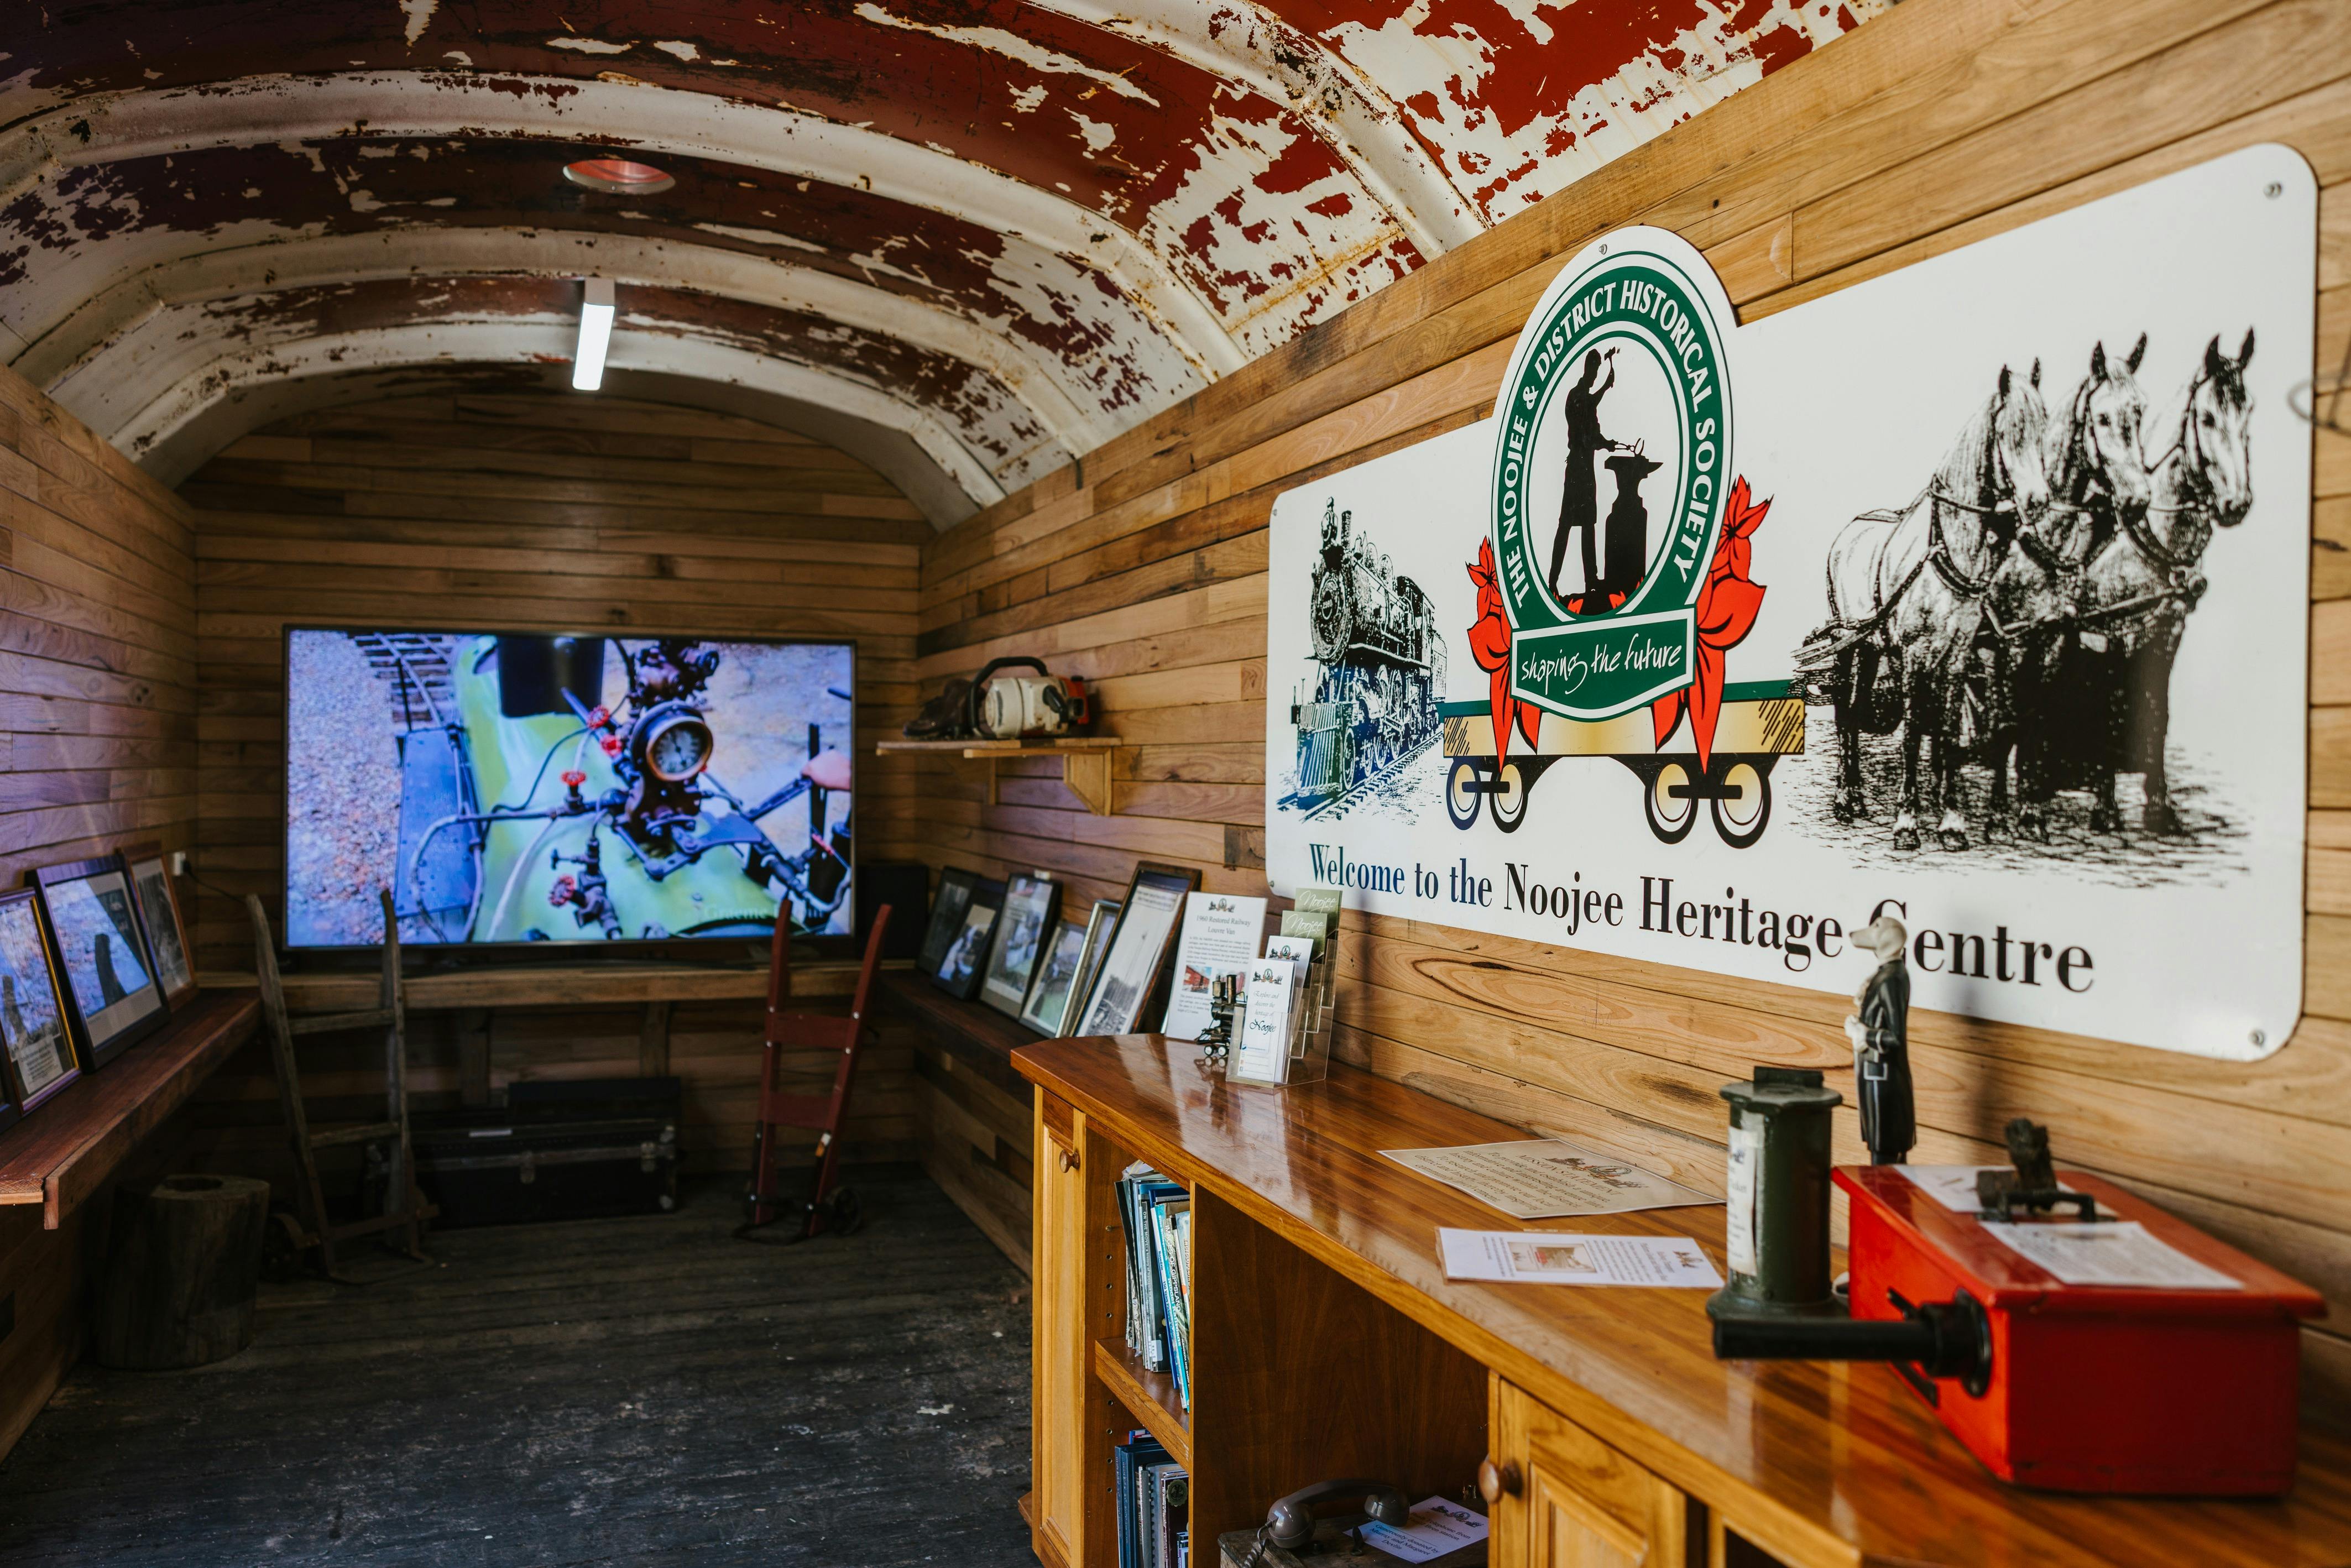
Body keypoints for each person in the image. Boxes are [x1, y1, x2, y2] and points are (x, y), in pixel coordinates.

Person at [1549, 348, 1626, 611]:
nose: (1595, 376)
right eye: (1594, 371)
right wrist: (1606, 444)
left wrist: (1605, 387)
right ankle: (1554, 580)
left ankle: (1589, 579)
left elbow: (1591, 409)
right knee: (1569, 524)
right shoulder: (1577, 396)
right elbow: (1588, 433)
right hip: (1579, 470)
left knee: (1585, 525)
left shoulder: (1581, 396)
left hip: (1582, 468)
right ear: (1589, 369)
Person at [1844, 914, 1915, 1164]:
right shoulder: (1887, 974)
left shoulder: (1893, 979)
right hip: (1875, 1074)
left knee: (1885, 1149)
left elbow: (1896, 1036)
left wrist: (1864, 1034)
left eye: (1876, 929)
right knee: (1880, 1143)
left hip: (1884, 1079)